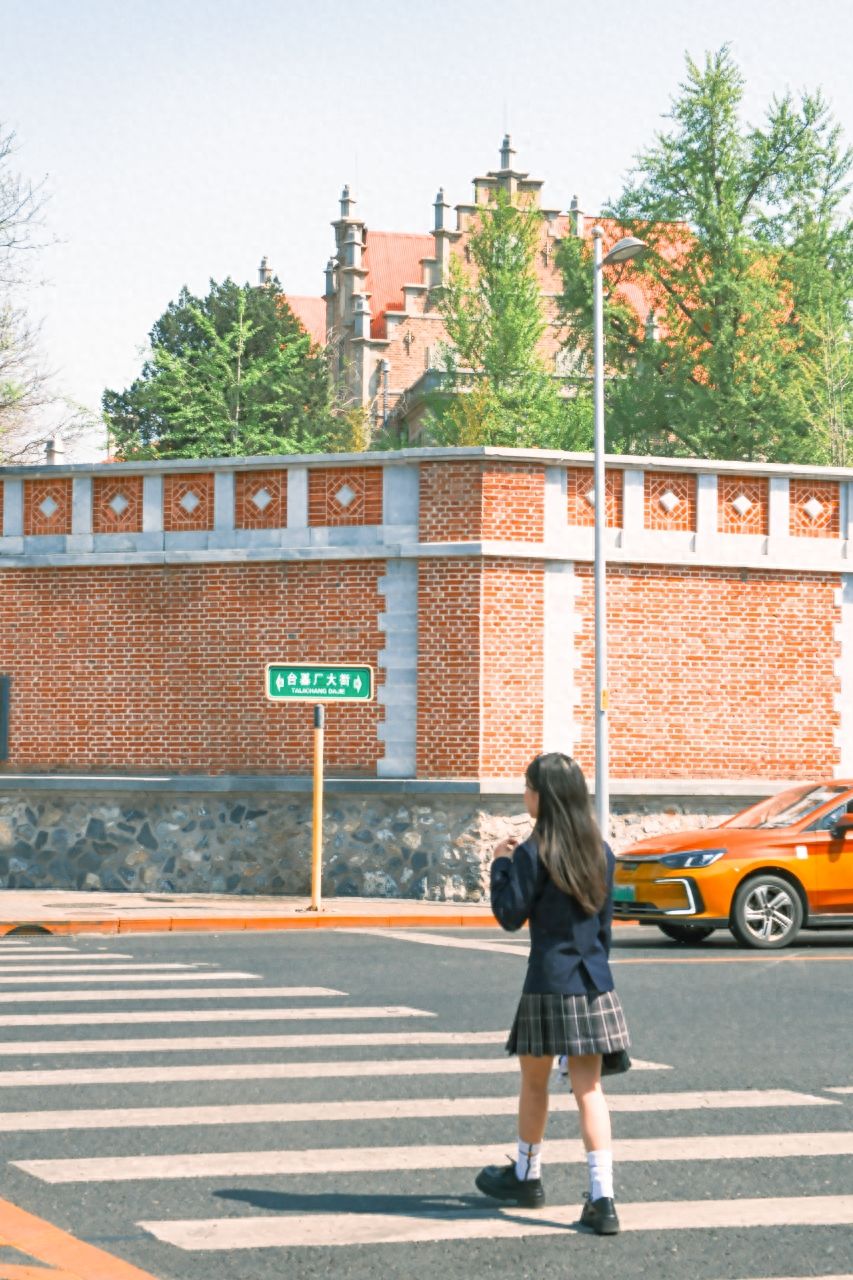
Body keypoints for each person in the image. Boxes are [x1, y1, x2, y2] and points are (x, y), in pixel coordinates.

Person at [474, 752, 630, 1236]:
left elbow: (508, 915)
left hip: (547, 983)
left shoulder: (532, 851)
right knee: (590, 1090)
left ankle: (527, 1174)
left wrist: (500, 863)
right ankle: (602, 1198)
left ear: (542, 795)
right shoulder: (598, 850)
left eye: (528, 787)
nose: (525, 794)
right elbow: (603, 929)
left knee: (535, 1084)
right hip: (593, 983)